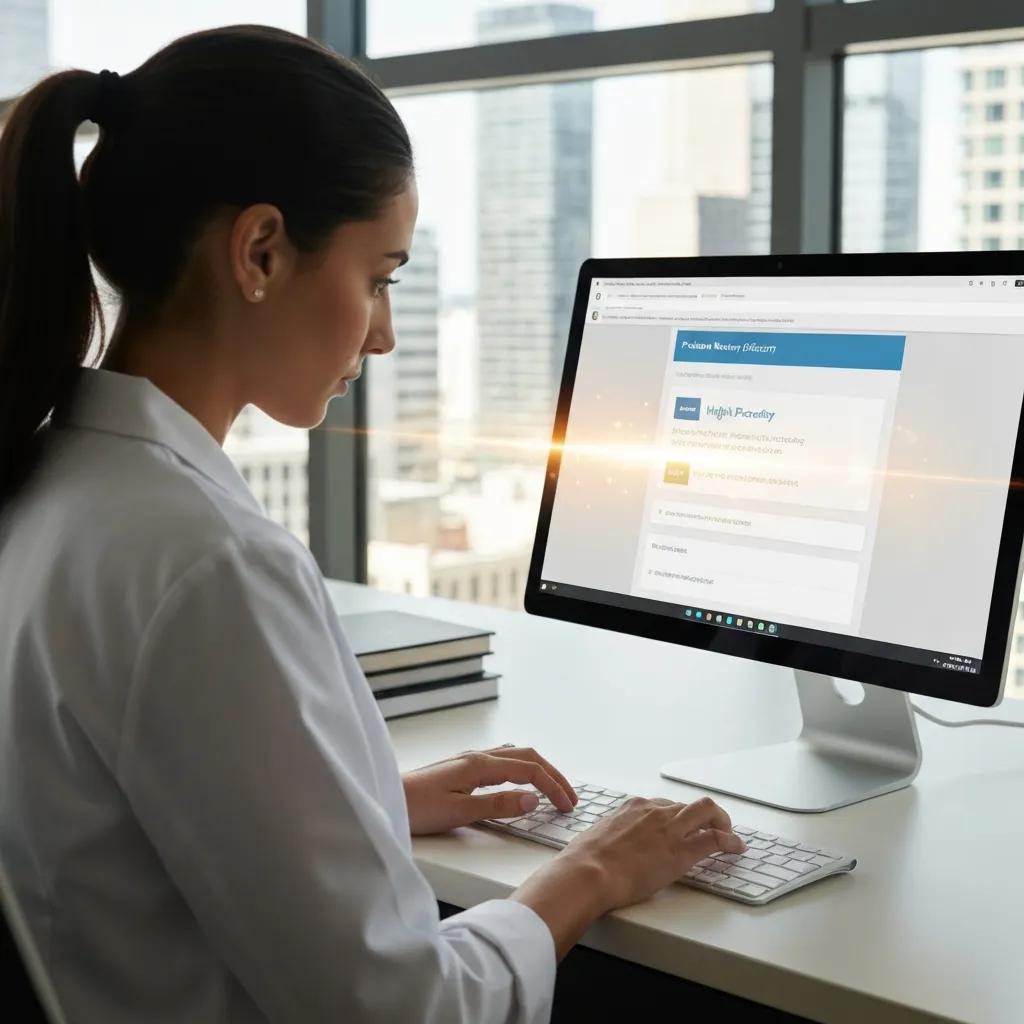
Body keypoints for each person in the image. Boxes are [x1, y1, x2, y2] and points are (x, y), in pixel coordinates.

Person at [0, 25, 745, 1024]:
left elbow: (112, 825)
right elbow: (402, 1009)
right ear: (260, 250)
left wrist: (364, 803)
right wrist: (592, 872)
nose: (385, 332)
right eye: (379, 276)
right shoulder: (202, 561)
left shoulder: (54, 479)